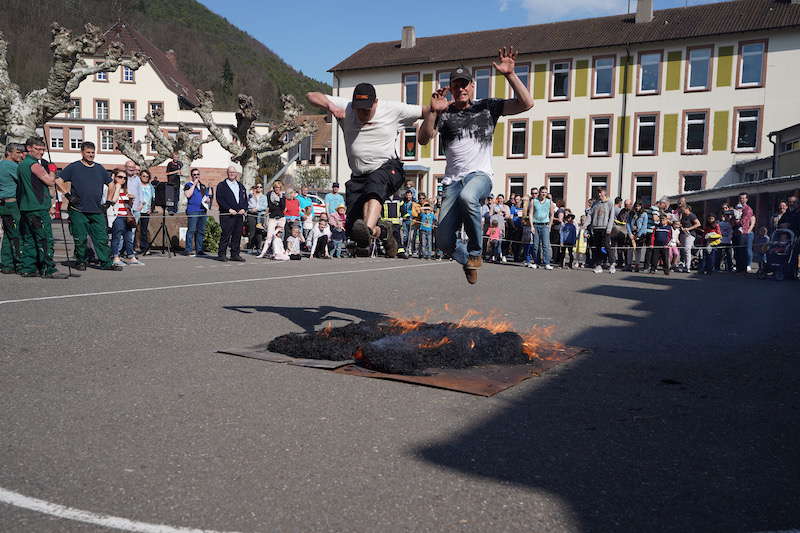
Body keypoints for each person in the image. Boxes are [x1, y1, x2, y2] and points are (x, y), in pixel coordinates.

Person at [307, 83, 424, 257]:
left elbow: (426, 110)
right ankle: (383, 233)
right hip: (358, 177)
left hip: (388, 168)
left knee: (374, 184)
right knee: (354, 228)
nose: (362, 114)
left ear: (375, 103)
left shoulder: (392, 109)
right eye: (359, 110)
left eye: (366, 110)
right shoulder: (346, 107)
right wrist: (331, 107)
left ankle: (368, 230)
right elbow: (311, 94)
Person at [57, 141, 120, 272]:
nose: (91, 155)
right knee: (80, 238)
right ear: (82, 152)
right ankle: (81, 261)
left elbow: (112, 185)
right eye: (88, 152)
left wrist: (108, 202)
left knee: (102, 238)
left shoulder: (99, 168)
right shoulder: (74, 167)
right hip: (78, 209)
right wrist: (68, 196)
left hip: (97, 209)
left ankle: (106, 262)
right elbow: (58, 180)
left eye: (92, 152)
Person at [15, 137, 67, 278]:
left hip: (26, 207)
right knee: (45, 239)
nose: (41, 152)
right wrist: (52, 170)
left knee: (30, 239)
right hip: (37, 207)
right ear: (29, 148)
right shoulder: (34, 165)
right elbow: (50, 182)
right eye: (38, 149)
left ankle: (28, 268)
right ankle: (48, 269)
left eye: (43, 149)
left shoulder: (21, 165)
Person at [107, 170, 143, 267]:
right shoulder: (111, 188)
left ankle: (131, 256)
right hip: (116, 216)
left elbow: (128, 206)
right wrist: (117, 187)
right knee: (117, 237)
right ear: (114, 176)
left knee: (129, 237)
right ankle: (115, 257)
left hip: (126, 216)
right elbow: (113, 201)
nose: (122, 179)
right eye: (120, 177)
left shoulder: (125, 190)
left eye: (124, 178)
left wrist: (131, 199)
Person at [0, 143, 24, 274]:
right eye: (18, 152)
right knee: (17, 234)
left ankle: (6, 263)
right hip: (13, 204)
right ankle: (20, 263)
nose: (21, 155)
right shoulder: (12, 166)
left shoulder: (1, 164)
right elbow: (25, 180)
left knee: (8, 235)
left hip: (3, 204)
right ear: (9, 153)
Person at [215, 165, 247, 262]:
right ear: (227, 173)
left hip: (239, 214)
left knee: (237, 235)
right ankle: (221, 254)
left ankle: (235, 254)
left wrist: (244, 209)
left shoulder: (240, 186)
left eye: (233, 172)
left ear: (236, 174)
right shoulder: (222, 185)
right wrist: (228, 209)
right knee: (226, 234)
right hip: (227, 214)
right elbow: (219, 199)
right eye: (230, 172)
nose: (232, 174)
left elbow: (245, 199)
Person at [183, 168, 213, 256]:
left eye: (197, 174)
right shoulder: (188, 185)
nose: (196, 176)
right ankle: (188, 249)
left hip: (202, 210)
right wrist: (194, 185)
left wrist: (208, 199)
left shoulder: (203, 186)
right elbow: (188, 195)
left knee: (201, 231)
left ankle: (199, 250)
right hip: (193, 211)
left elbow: (207, 197)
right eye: (194, 175)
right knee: (191, 230)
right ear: (191, 176)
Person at [588, 187, 614, 274]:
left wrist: (609, 228)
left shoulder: (610, 203)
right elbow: (590, 215)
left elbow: (611, 217)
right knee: (598, 247)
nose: (599, 194)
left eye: (600, 192)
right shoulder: (595, 203)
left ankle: (612, 264)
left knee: (606, 246)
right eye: (598, 192)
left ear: (604, 193)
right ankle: (599, 265)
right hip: (596, 228)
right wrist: (585, 226)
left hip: (605, 228)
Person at [528, 186, 554, 270]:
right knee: (536, 245)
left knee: (546, 245)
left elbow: (552, 214)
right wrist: (531, 226)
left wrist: (549, 225)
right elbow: (531, 214)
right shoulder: (534, 201)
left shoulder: (549, 202)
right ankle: (536, 262)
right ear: (539, 192)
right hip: (535, 225)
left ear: (547, 193)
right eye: (542, 192)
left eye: (545, 192)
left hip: (545, 225)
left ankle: (547, 263)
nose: (544, 194)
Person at [258, 180, 285, 258]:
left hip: (281, 219)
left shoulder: (282, 196)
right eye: (276, 187)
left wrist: (280, 197)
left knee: (277, 236)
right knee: (269, 236)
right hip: (272, 218)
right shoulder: (269, 194)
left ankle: (275, 252)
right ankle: (263, 252)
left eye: (279, 188)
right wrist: (277, 205)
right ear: (274, 187)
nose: (277, 189)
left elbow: (283, 207)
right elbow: (271, 206)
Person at [734, 192, 756, 273]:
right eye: (740, 198)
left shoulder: (748, 209)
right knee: (738, 250)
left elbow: (744, 222)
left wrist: (737, 220)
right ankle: (739, 267)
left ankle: (746, 266)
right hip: (737, 232)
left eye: (743, 198)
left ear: (747, 199)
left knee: (746, 250)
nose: (742, 200)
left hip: (745, 232)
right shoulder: (737, 208)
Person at [136, 170, 154, 255]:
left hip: (146, 211)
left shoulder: (150, 187)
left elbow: (153, 199)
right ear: (140, 176)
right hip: (136, 210)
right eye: (143, 176)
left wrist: (151, 209)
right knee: (134, 229)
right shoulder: (137, 185)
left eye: (147, 176)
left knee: (144, 230)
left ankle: (144, 247)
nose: (145, 178)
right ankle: (134, 247)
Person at [626, 202, 648, 272]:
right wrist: (630, 233)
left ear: (641, 206)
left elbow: (644, 226)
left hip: (640, 234)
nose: (637, 208)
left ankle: (637, 265)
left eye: (639, 206)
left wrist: (638, 235)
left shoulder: (644, 214)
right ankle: (629, 265)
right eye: (636, 206)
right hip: (632, 233)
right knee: (630, 249)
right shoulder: (631, 213)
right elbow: (628, 223)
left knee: (638, 250)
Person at [246, 183, 268, 252]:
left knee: (259, 232)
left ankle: (258, 248)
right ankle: (250, 247)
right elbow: (247, 203)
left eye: (260, 187)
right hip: (251, 214)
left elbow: (265, 206)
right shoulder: (250, 195)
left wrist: (257, 208)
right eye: (257, 187)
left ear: (262, 189)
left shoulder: (264, 197)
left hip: (260, 214)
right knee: (251, 231)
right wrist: (252, 193)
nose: (258, 188)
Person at [679, 205, 701, 272]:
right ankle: (684, 265)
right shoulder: (682, 215)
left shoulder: (692, 215)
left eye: (683, 209)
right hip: (683, 234)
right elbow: (681, 223)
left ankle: (687, 267)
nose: (682, 210)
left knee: (687, 249)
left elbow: (698, 224)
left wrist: (688, 228)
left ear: (688, 209)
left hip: (690, 235)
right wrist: (681, 226)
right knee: (683, 250)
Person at [400, 189, 420, 258]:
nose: (408, 196)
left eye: (410, 195)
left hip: (412, 222)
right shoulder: (403, 202)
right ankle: (406, 249)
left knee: (411, 237)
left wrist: (415, 217)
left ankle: (411, 249)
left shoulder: (414, 203)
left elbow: (418, 212)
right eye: (407, 195)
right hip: (405, 221)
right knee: (405, 236)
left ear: (412, 195)